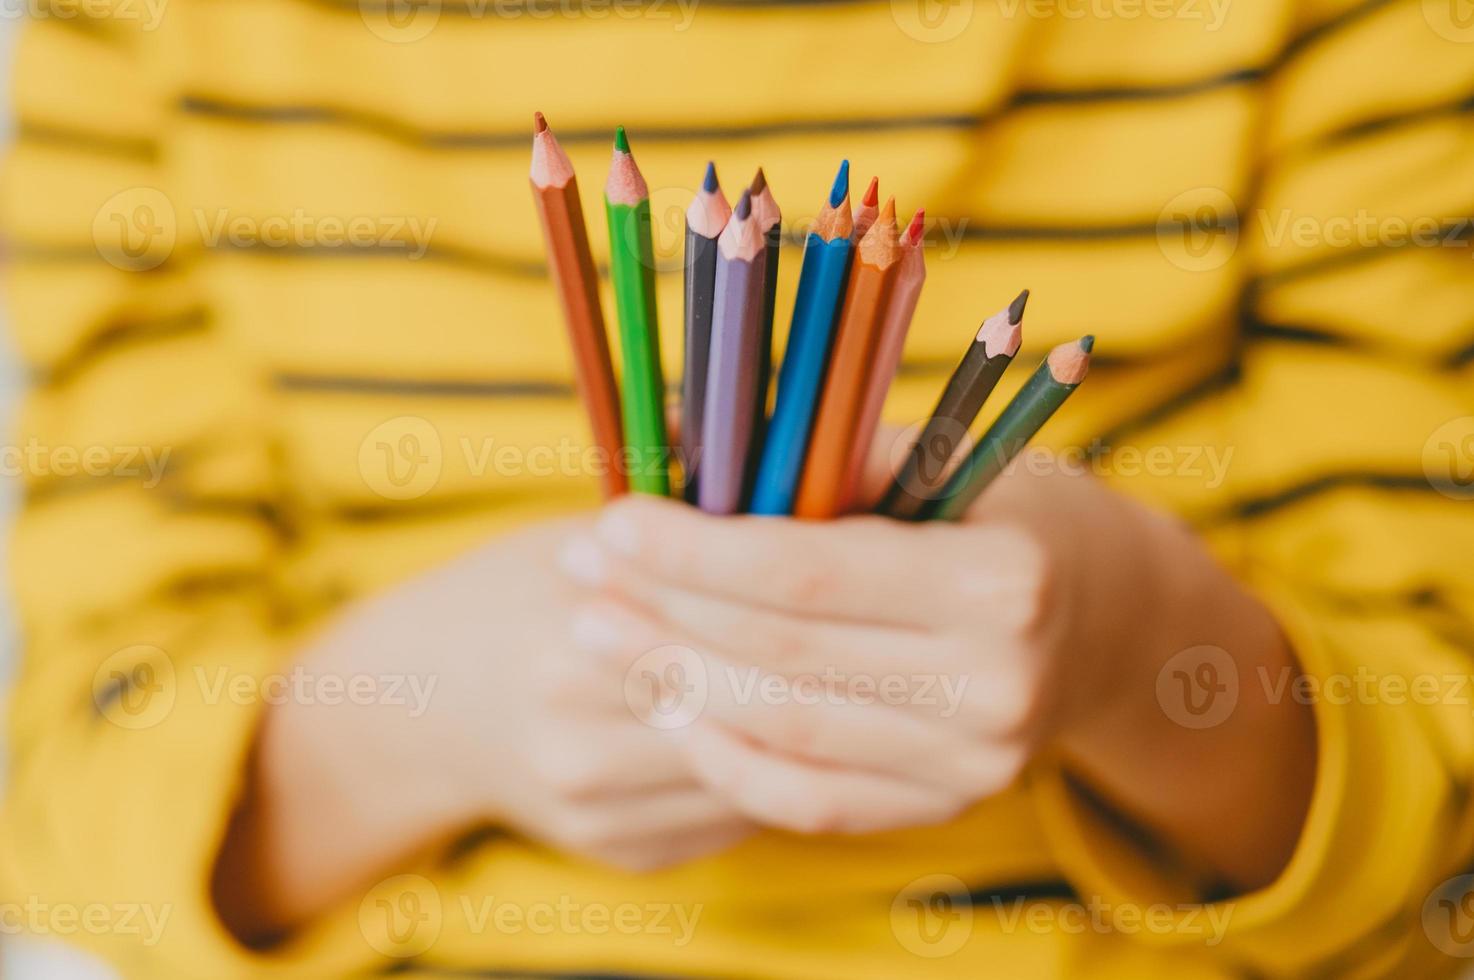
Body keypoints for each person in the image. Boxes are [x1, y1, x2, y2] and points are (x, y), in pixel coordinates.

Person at [3, 0, 1471, 976]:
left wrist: (1129, 642)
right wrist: (416, 723)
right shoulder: (152, 31)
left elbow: (1444, 833)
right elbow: (64, 793)